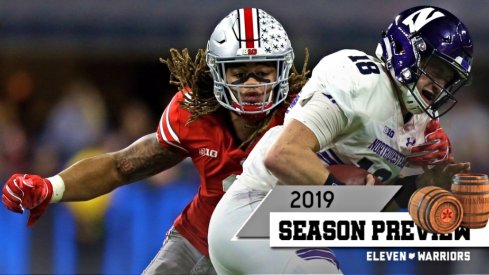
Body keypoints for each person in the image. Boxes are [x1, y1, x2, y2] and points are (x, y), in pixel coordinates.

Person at [1, 7, 309, 274]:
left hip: (277, 244)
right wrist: (50, 187)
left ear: (283, 71)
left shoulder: (306, 116)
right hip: (199, 241)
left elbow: (347, 197)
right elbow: (121, 166)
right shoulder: (195, 113)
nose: (252, 85)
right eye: (239, 74)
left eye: (263, 72)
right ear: (217, 75)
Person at [208, 5, 473, 274]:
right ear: (405, 50)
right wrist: (343, 194)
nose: (439, 85)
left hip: (287, 228)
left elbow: (368, 206)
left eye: (448, 78)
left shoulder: (416, 126)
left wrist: (415, 187)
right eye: (435, 69)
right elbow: (283, 156)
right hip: (254, 213)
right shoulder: (362, 81)